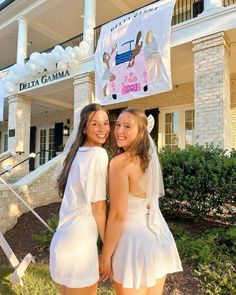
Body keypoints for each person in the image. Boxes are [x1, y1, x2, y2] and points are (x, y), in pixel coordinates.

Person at [99, 108, 182, 295]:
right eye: (118, 125)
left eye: (127, 126)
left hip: (133, 243)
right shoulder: (149, 160)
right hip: (158, 238)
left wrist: (105, 256)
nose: (119, 131)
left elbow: (118, 215)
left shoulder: (120, 163)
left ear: (141, 132)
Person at [50, 103, 110, 295]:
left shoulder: (75, 155)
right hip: (80, 247)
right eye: (95, 124)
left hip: (62, 242)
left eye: (106, 123)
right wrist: (108, 251)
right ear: (84, 128)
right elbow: (98, 208)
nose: (103, 129)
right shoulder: (97, 154)